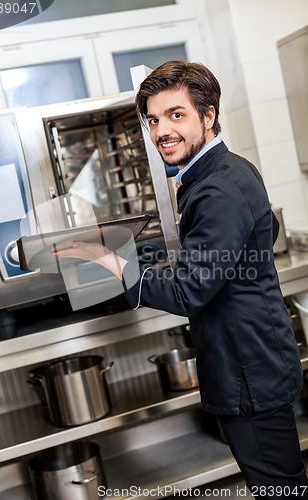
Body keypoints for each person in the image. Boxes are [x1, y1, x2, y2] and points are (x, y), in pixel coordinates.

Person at [52, 60, 308, 498]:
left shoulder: (217, 187)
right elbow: (252, 239)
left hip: (247, 369)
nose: (161, 131)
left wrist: (115, 263)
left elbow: (189, 290)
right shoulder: (228, 171)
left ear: (208, 116)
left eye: (176, 114)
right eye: (153, 119)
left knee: (279, 489)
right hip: (257, 359)